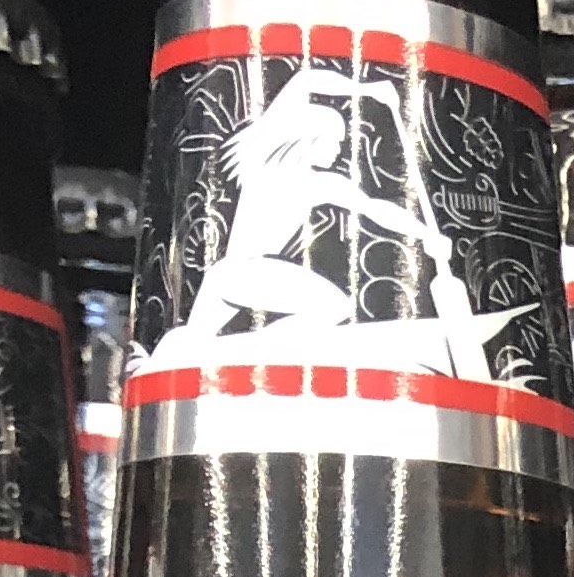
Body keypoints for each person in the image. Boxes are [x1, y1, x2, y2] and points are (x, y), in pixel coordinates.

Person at [172, 73, 478, 373]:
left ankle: (177, 356)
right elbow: (304, 80)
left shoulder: (316, 182)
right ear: (309, 138)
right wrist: (366, 89)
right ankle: (254, 353)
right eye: (334, 141)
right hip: (246, 272)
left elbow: (376, 209)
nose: (338, 150)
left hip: (224, 276)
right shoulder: (268, 162)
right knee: (334, 306)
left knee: (187, 346)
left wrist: (424, 233)